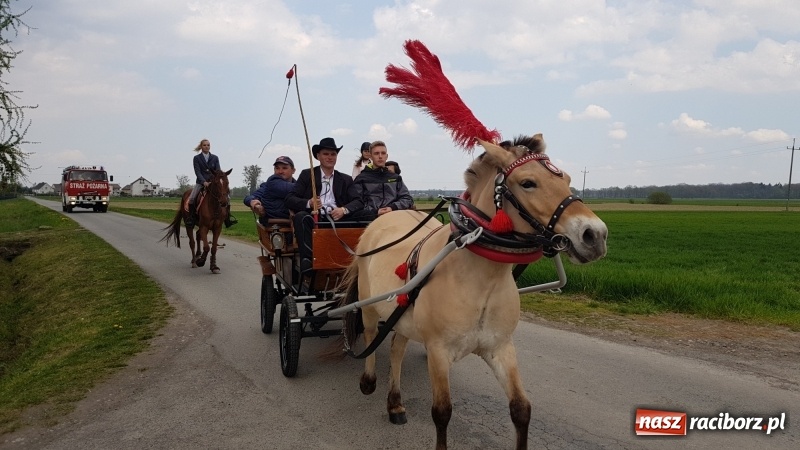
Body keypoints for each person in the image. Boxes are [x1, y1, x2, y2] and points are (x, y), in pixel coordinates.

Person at [285, 137, 362, 271]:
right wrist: (309, 203)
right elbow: (290, 199)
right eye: (326, 154)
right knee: (301, 217)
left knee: (367, 214)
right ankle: (308, 260)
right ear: (318, 156)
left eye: (333, 154)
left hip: (338, 217)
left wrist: (343, 210)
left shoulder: (345, 179)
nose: (330, 157)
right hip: (315, 217)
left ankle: (361, 256)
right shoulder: (307, 175)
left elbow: (358, 201)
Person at [349, 141, 414, 221]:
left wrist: (392, 207)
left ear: (386, 156)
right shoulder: (361, 179)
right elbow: (356, 203)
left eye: (383, 153)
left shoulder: (396, 178)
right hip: (370, 221)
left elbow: (407, 199)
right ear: (371, 157)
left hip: (394, 219)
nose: (380, 156)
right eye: (376, 153)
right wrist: (376, 212)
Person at [187, 139, 237, 228]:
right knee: (192, 198)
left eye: (208, 145)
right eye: (205, 145)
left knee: (227, 198)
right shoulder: (197, 158)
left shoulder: (215, 157)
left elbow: (218, 171)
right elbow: (197, 172)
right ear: (201, 147)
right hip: (201, 183)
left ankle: (227, 219)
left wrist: (215, 181)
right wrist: (204, 182)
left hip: (214, 182)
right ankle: (191, 218)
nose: (207, 147)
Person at [243, 156, 296, 225]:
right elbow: (250, 197)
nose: (280, 171)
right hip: (274, 225)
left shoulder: (300, 187)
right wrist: (254, 203)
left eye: (284, 168)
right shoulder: (268, 186)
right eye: (277, 168)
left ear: (293, 170)